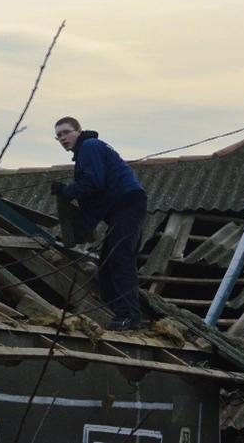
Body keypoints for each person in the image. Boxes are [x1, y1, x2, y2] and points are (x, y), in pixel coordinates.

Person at [50, 117, 146, 331]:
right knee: (107, 264)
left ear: (79, 131)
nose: (62, 138)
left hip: (128, 205)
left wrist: (67, 191)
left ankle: (129, 316)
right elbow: (94, 195)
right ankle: (118, 313)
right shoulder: (86, 152)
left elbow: (93, 183)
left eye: (66, 132)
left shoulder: (90, 146)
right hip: (120, 209)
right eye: (58, 136)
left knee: (120, 259)